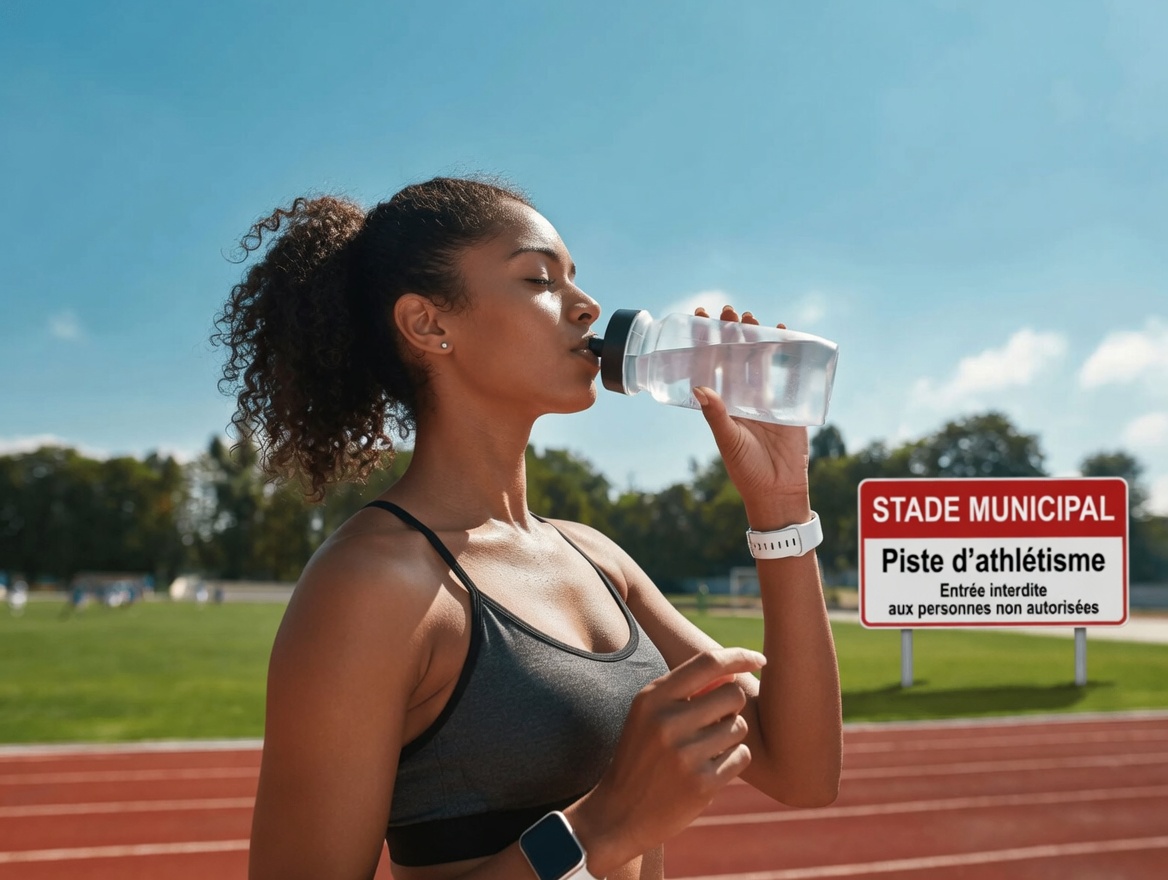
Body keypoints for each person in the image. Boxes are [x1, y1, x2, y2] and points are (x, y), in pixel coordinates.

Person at [217, 177, 841, 880]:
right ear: (428, 325)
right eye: (539, 279)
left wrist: (781, 507)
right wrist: (599, 829)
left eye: (574, 277)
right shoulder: (372, 583)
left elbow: (803, 771)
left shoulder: (597, 558)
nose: (587, 305)